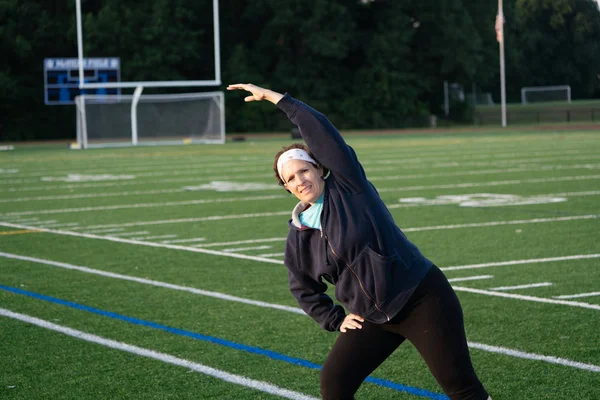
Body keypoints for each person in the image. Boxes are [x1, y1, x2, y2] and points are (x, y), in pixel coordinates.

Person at [227, 83, 491, 400]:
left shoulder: (350, 187)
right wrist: (335, 318)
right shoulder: (299, 234)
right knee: (334, 385)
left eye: (304, 170)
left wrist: (278, 99)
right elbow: (302, 287)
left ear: (320, 168)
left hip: (420, 298)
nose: (300, 180)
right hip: (372, 318)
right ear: (286, 188)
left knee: (461, 387)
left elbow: (320, 131)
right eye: (291, 179)